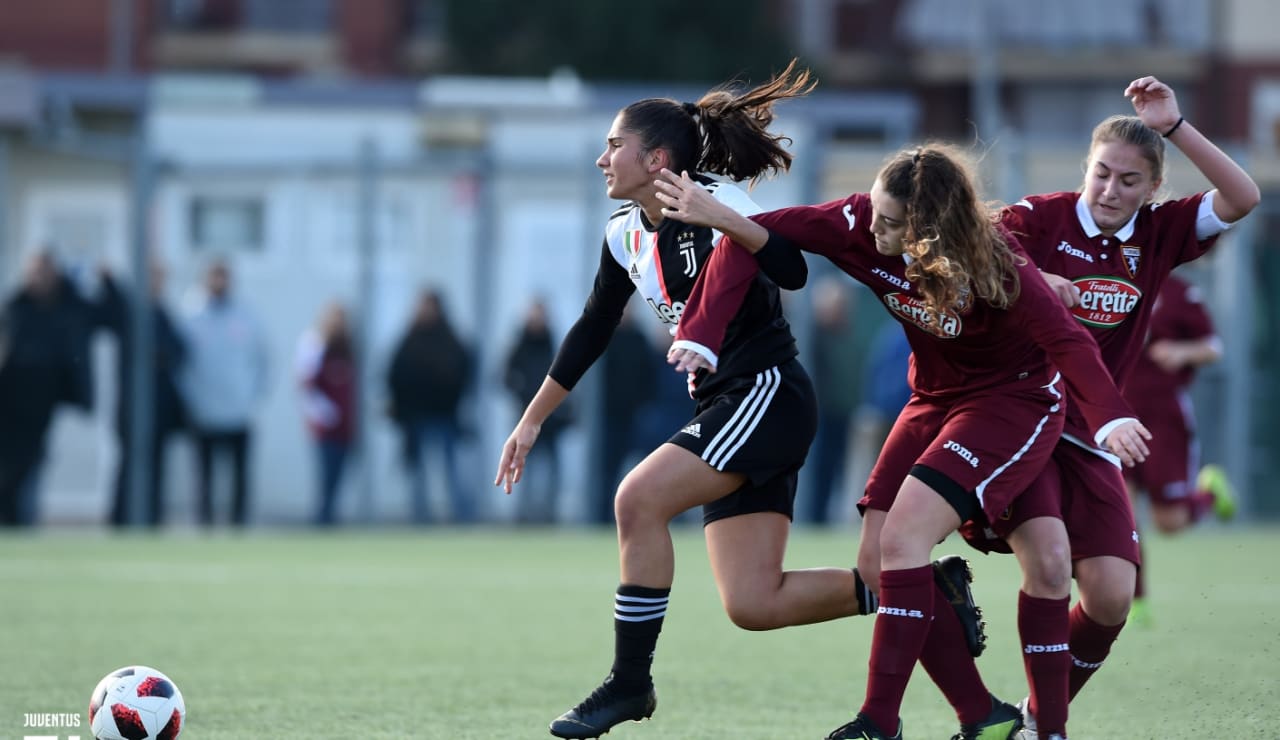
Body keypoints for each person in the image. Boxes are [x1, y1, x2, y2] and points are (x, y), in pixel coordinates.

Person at [657, 142, 1151, 739]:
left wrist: (1110, 417)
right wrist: (702, 336)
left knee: (933, 541)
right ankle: (984, 718)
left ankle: (883, 722)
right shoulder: (856, 222)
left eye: (890, 222)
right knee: (875, 562)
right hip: (933, 400)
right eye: (875, 210)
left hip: (1011, 403)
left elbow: (1069, 342)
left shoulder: (997, 262)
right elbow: (748, 237)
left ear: (930, 230)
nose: (873, 227)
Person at [494, 60, 906, 739]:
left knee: (636, 498)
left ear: (656, 157)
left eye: (613, 146)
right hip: (726, 405)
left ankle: (629, 685)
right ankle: (922, 590)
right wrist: (531, 420)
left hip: (765, 393)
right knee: (753, 602)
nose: (601, 159)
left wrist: (729, 220)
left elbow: (793, 270)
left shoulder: (715, 203)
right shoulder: (624, 231)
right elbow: (593, 326)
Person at [986, 77, 1258, 738]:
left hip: (1092, 434)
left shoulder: (1162, 233)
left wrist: (1176, 127)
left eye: (1129, 181)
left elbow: (1244, 197)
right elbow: (975, 249)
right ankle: (1045, 727)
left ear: (1152, 188)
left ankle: (1032, 714)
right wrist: (1031, 279)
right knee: (1049, 567)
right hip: (1018, 422)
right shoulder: (1039, 218)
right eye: (1101, 174)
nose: (1110, 191)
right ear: (1085, 170)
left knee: (1110, 597)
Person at [1122, 271, 1234, 626]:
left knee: (1170, 522)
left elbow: (1213, 347)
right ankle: (1137, 603)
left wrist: (1181, 351)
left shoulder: (1180, 291)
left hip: (1163, 420)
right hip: (1113, 416)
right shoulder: (1102, 278)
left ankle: (1208, 494)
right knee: (1122, 515)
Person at [0, 249, 100, 526]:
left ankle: (22, 522)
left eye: (45, 270)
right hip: (10, 405)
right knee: (9, 470)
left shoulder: (70, 305)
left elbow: (109, 315)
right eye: (35, 271)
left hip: (43, 403)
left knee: (30, 466)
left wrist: (107, 282)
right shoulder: (14, 306)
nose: (39, 277)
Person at [178, 259, 270, 527]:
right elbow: (182, 366)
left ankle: (238, 527)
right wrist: (192, 398)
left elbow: (263, 360)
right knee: (203, 477)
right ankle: (203, 526)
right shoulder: (191, 317)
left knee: (240, 477)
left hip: (238, 411)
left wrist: (251, 397)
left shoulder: (246, 316)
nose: (219, 283)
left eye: (224, 277)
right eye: (214, 277)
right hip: (203, 411)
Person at [97, 261, 188, 527]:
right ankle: (121, 519)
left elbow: (179, 352)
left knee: (156, 468)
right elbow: (110, 313)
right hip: (132, 407)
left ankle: (151, 519)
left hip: (159, 408)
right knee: (129, 465)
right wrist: (109, 284)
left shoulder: (161, 313)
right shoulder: (130, 312)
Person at [387, 289, 473, 524]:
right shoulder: (409, 340)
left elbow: (465, 371)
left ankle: (459, 517)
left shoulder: (451, 340)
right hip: (415, 416)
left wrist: (452, 398)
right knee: (417, 471)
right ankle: (420, 517)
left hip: (444, 414)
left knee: (450, 469)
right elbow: (394, 375)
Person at [502, 298, 575, 525]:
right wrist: (523, 393)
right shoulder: (519, 346)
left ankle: (548, 515)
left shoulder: (555, 344)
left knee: (552, 470)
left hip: (551, 420)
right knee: (523, 469)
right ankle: (523, 516)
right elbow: (505, 377)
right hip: (526, 418)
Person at [805, 275, 863, 525]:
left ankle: (827, 518)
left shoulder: (849, 336)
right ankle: (814, 517)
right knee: (819, 468)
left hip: (843, 411)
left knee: (840, 467)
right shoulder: (810, 339)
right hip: (817, 413)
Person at [296, 302, 357, 527]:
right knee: (326, 478)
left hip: (345, 427)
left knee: (339, 479)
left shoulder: (348, 347)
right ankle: (322, 520)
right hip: (325, 428)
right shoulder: (316, 345)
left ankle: (331, 519)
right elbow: (307, 385)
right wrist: (324, 413)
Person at [597, 300, 657, 524]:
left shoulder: (640, 339)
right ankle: (602, 518)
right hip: (610, 416)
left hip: (636, 415)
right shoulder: (606, 338)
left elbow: (649, 376)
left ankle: (643, 515)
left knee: (643, 467)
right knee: (608, 470)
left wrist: (645, 405)